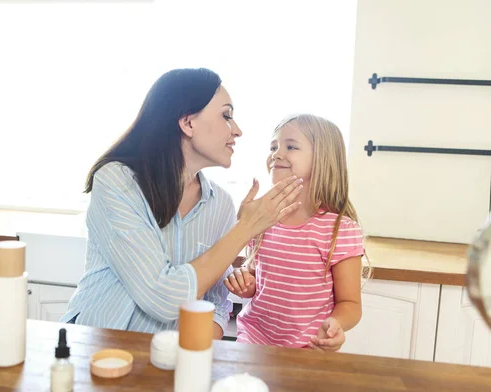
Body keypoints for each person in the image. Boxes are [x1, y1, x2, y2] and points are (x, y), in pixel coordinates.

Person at [60, 68, 303, 338]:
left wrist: (192, 354)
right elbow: (162, 296)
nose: (237, 130)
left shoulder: (220, 204)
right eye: (226, 115)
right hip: (97, 350)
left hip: (169, 361)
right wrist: (245, 228)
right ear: (188, 123)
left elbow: (216, 302)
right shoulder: (117, 182)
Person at [225, 114, 368, 350]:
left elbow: (350, 303)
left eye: (290, 146)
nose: (276, 154)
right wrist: (245, 283)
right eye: (273, 147)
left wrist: (335, 323)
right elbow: (256, 282)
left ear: (323, 158)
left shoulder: (339, 230)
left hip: (308, 349)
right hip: (254, 340)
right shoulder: (264, 219)